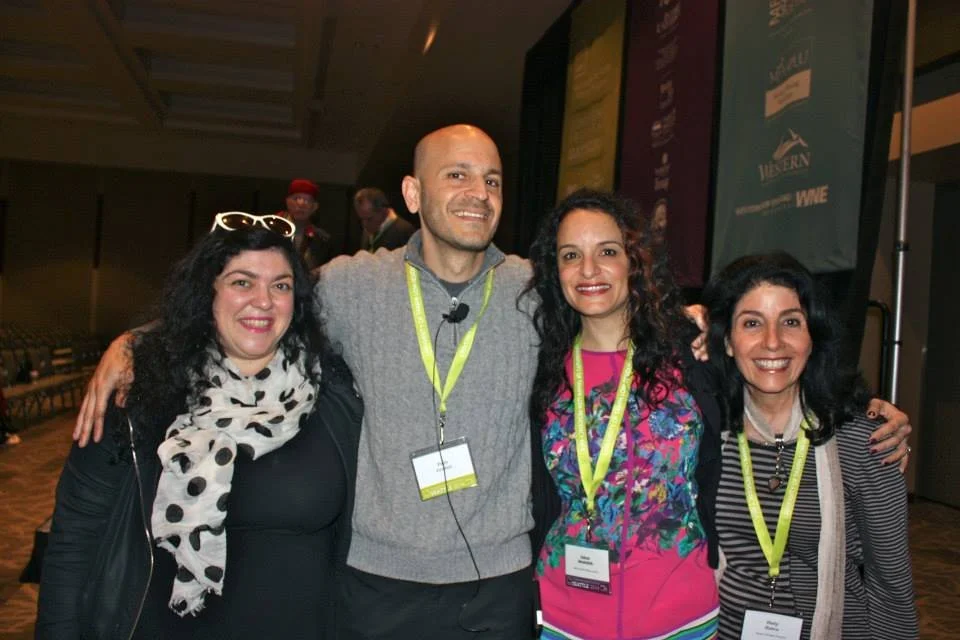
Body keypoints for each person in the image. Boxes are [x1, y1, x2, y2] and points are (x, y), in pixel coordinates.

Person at [71, 126, 912, 639]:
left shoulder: (533, 289)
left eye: (493, 179)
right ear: (412, 191)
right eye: (456, 176)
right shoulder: (353, 284)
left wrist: (848, 402)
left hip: (508, 592)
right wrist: (137, 341)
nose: (477, 193)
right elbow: (252, 307)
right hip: (378, 589)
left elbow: (690, 330)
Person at [38, 214, 362, 639]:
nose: (263, 301)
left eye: (280, 285)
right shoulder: (138, 391)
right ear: (205, 292)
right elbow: (75, 535)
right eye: (241, 282)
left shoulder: (332, 391)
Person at [525, 189, 722, 639]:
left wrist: (873, 411)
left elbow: (784, 388)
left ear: (635, 261)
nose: (589, 270)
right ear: (554, 271)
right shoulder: (539, 366)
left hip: (681, 618)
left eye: (607, 252)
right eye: (571, 255)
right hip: (563, 620)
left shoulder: (691, 352)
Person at [703, 252, 917, 639]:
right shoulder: (706, 432)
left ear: (811, 337)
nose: (773, 342)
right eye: (752, 323)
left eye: (790, 322)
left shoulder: (863, 441)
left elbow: (891, 587)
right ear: (728, 342)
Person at [283, 178, 333, 269]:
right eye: (296, 198)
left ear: (315, 207)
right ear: (287, 202)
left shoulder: (321, 239)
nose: (301, 204)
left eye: (307, 200)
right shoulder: (272, 228)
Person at [353, 187, 416, 251]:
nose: (364, 224)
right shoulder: (368, 230)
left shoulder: (404, 230)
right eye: (361, 219)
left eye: (369, 219)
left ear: (383, 211)